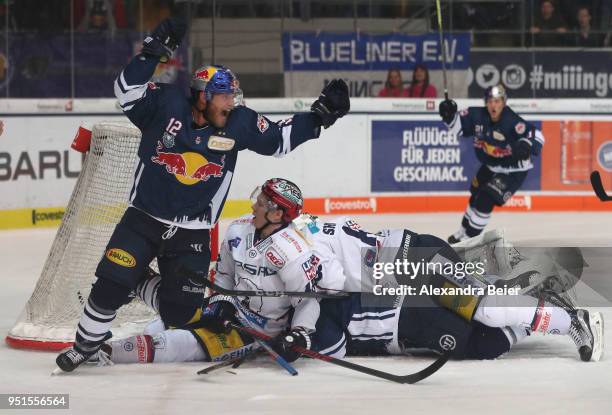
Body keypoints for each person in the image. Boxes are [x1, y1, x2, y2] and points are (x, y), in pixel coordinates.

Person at [55, 16, 350, 372]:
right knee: (111, 283)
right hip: (144, 217)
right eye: (226, 94)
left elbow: (279, 139)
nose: (233, 101)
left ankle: (141, 282)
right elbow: (125, 91)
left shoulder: (239, 122)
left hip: (193, 231)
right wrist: (153, 52)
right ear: (203, 95)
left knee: (183, 313)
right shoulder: (163, 105)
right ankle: (86, 345)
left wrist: (320, 116)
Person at [92, 212, 602, 366]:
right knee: (484, 326)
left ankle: (565, 316)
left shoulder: (285, 247)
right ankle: (499, 278)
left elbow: (322, 289)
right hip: (386, 276)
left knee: (486, 312)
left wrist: (296, 330)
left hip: (405, 261)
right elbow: (186, 327)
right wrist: (108, 350)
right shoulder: (258, 248)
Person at [438, 84, 544, 244]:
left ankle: (468, 242)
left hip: (513, 170)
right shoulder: (476, 115)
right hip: (490, 165)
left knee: (485, 200)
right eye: (490, 101)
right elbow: (457, 128)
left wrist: (528, 145)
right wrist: (448, 115)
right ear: (486, 102)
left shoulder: (511, 121)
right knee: (475, 195)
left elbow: (537, 135)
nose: (494, 105)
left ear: (504, 102)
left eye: (498, 101)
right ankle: (462, 233)